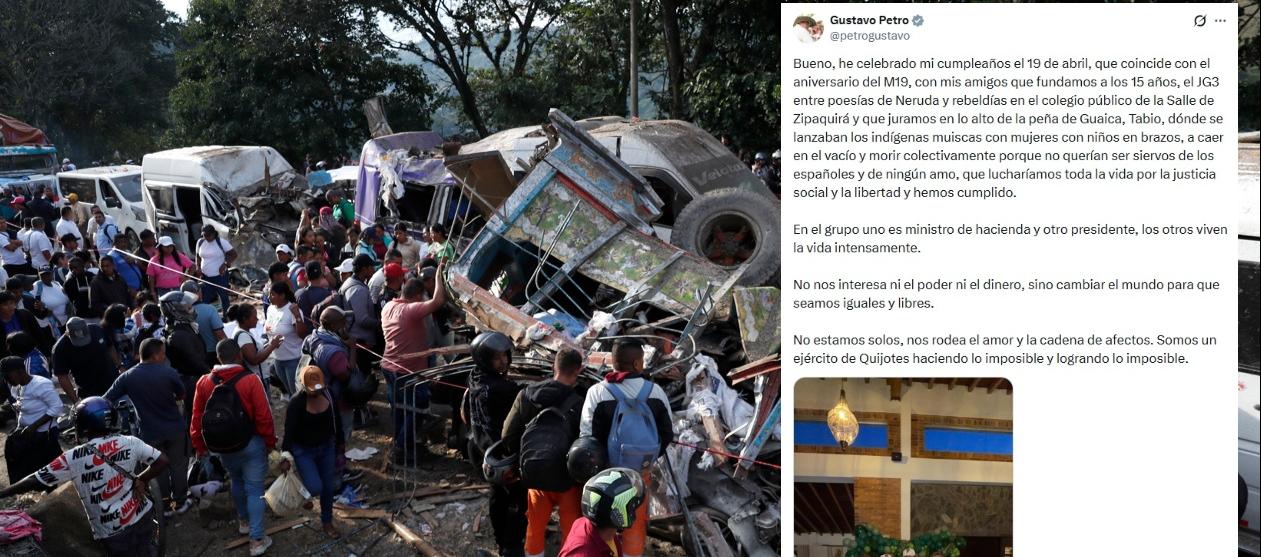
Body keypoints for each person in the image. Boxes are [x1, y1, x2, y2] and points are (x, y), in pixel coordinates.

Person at [0, 397, 169, 557]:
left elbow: (34, 481)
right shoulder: (131, 441)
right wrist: (142, 479)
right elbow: (162, 461)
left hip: (112, 530)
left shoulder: (73, 457)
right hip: (142, 514)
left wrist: (4, 493)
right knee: (148, 549)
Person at [578, 339, 674, 557]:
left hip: (605, 475)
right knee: (634, 522)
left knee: (600, 523)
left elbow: (587, 437)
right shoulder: (656, 392)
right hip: (639, 474)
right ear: (638, 364)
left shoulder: (597, 392)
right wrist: (646, 459)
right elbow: (667, 434)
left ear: (613, 363)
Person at [189, 339, 276, 556]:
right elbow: (264, 416)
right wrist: (270, 443)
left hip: (222, 446)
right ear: (238, 355)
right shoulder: (250, 380)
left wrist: (200, 446)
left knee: (236, 480)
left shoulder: (204, 382)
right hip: (250, 443)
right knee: (255, 489)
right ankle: (256, 540)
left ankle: (244, 522)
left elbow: (196, 418)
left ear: (218, 358)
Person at [502, 347, 586, 557]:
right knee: (571, 531)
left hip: (535, 475)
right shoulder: (580, 403)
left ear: (553, 367)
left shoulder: (526, 395)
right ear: (578, 371)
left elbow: (507, 435)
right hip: (568, 481)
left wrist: (525, 458)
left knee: (535, 528)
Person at [104, 338, 192, 516]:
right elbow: (181, 395)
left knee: (158, 468)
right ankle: (181, 502)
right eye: (163, 353)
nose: (164, 357)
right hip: (174, 428)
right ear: (156, 355)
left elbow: (106, 399)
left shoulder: (128, 376)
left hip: (149, 432)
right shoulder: (168, 373)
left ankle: (165, 505)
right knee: (178, 465)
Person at [464, 331, 526, 557]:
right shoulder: (499, 389)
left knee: (498, 496)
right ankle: (512, 546)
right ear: (484, 360)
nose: (504, 361)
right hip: (502, 455)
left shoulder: (475, 377)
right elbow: (523, 396)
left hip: (482, 449)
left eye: (505, 356)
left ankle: (502, 541)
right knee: (520, 500)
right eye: (497, 358)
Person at [381, 272, 446, 465]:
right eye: (422, 295)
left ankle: (405, 444)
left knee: (400, 408)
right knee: (418, 408)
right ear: (417, 295)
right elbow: (438, 301)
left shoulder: (388, 307)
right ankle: (401, 448)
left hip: (389, 366)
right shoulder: (411, 310)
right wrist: (439, 276)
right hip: (406, 370)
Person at [279, 366, 342, 538]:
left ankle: (327, 521)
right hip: (304, 450)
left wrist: (340, 446)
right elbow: (289, 431)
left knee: (328, 487)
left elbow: (338, 422)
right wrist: (285, 455)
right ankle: (305, 492)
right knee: (315, 487)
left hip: (327, 447)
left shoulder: (329, 395)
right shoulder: (296, 403)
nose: (316, 392)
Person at [300, 307, 357, 484]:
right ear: (333, 325)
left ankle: (332, 469)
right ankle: (336, 477)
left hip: (319, 397)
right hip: (337, 400)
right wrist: (352, 349)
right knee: (338, 438)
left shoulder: (315, 336)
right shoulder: (334, 352)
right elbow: (347, 374)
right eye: (341, 322)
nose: (345, 325)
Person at [557, 468, 646, 557]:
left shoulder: (591, 525)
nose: (634, 511)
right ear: (618, 512)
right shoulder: (583, 554)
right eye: (632, 507)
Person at [2, 356, 64, 483]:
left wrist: (34, 426)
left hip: (44, 434)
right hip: (27, 433)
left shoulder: (41, 384)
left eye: (8, 375)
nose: (6, 379)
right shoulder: (17, 387)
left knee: (49, 472)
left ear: (20, 371)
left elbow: (57, 407)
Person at [158, 291, 209, 419]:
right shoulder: (178, 334)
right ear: (176, 311)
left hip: (194, 378)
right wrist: (211, 374)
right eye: (188, 307)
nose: (192, 310)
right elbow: (194, 361)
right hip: (190, 382)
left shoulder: (183, 327)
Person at [52, 316, 121, 404]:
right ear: (67, 334)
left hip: (113, 383)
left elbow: (110, 346)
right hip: (89, 393)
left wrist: (119, 365)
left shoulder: (97, 329)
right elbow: (62, 376)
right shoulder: (60, 348)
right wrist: (76, 402)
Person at [224, 303, 282, 387]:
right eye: (254, 317)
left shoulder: (245, 331)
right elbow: (254, 360)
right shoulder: (243, 336)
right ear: (245, 319)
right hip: (257, 380)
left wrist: (269, 345)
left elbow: (255, 350)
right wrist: (272, 346)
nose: (257, 319)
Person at [263, 282, 305, 395]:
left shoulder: (292, 310)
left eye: (272, 294)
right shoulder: (270, 309)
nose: (269, 297)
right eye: (269, 293)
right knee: (288, 390)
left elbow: (302, 334)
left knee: (296, 393)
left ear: (282, 296)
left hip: (293, 359)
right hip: (277, 359)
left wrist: (297, 316)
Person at [340, 254, 378, 375]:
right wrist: (380, 324)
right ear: (364, 269)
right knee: (362, 376)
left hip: (354, 339)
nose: (374, 270)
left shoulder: (350, 282)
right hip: (360, 342)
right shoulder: (358, 290)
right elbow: (363, 319)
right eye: (371, 267)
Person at [182, 280, 226, 364]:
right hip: (213, 354)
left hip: (193, 356)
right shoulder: (209, 309)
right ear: (197, 293)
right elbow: (220, 334)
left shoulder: (180, 312)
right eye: (199, 290)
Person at [0, 291, 53, 358]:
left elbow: (39, 335)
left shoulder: (25, 314)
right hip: (11, 362)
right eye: (5, 304)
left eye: (11, 303)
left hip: (32, 356)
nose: (10, 306)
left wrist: (47, 354)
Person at [195, 224, 235, 310]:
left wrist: (225, 264)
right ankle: (206, 315)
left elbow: (233, 254)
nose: (207, 237)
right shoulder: (200, 242)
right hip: (205, 276)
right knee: (205, 298)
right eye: (204, 235)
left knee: (223, 296)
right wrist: (198, 267)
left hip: (220, 276)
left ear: (214, 234)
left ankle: (226, 316)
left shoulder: (221, 242)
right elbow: (197, 256)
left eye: (209, 235)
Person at [101, 304, 138, 369]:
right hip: (123, 364)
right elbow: (129, 333)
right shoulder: (114, 330)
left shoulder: (106, 328)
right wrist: (128, 318)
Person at [295, 260, 330, 327]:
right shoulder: (328, 295)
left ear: (306, 275)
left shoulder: (298, 294)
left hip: (304, 334)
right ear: (321, 274)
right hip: (321, 334)